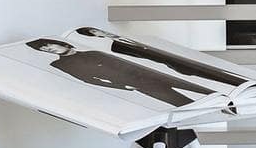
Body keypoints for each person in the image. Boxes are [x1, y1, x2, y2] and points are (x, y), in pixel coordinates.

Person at [27, 39, 214, 108]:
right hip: (138, 84)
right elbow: (87, 79)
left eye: (51, 46)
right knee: (184, 104)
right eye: (46, 50)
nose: (51, 50)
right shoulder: (60, 64)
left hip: (150, 74)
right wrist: (123, 86)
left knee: (205, 92)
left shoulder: (93, 52)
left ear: (62, 44)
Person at [74, 27, 242, 88]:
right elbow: (141, 59)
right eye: (95, 33)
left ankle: (232, 81)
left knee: (207, 71)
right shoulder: (116, 47)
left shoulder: (130, 37)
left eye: (97, 30)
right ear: (96, 36)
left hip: (174, 58)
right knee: (199, 76)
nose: (100, 33)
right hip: (168, 65)